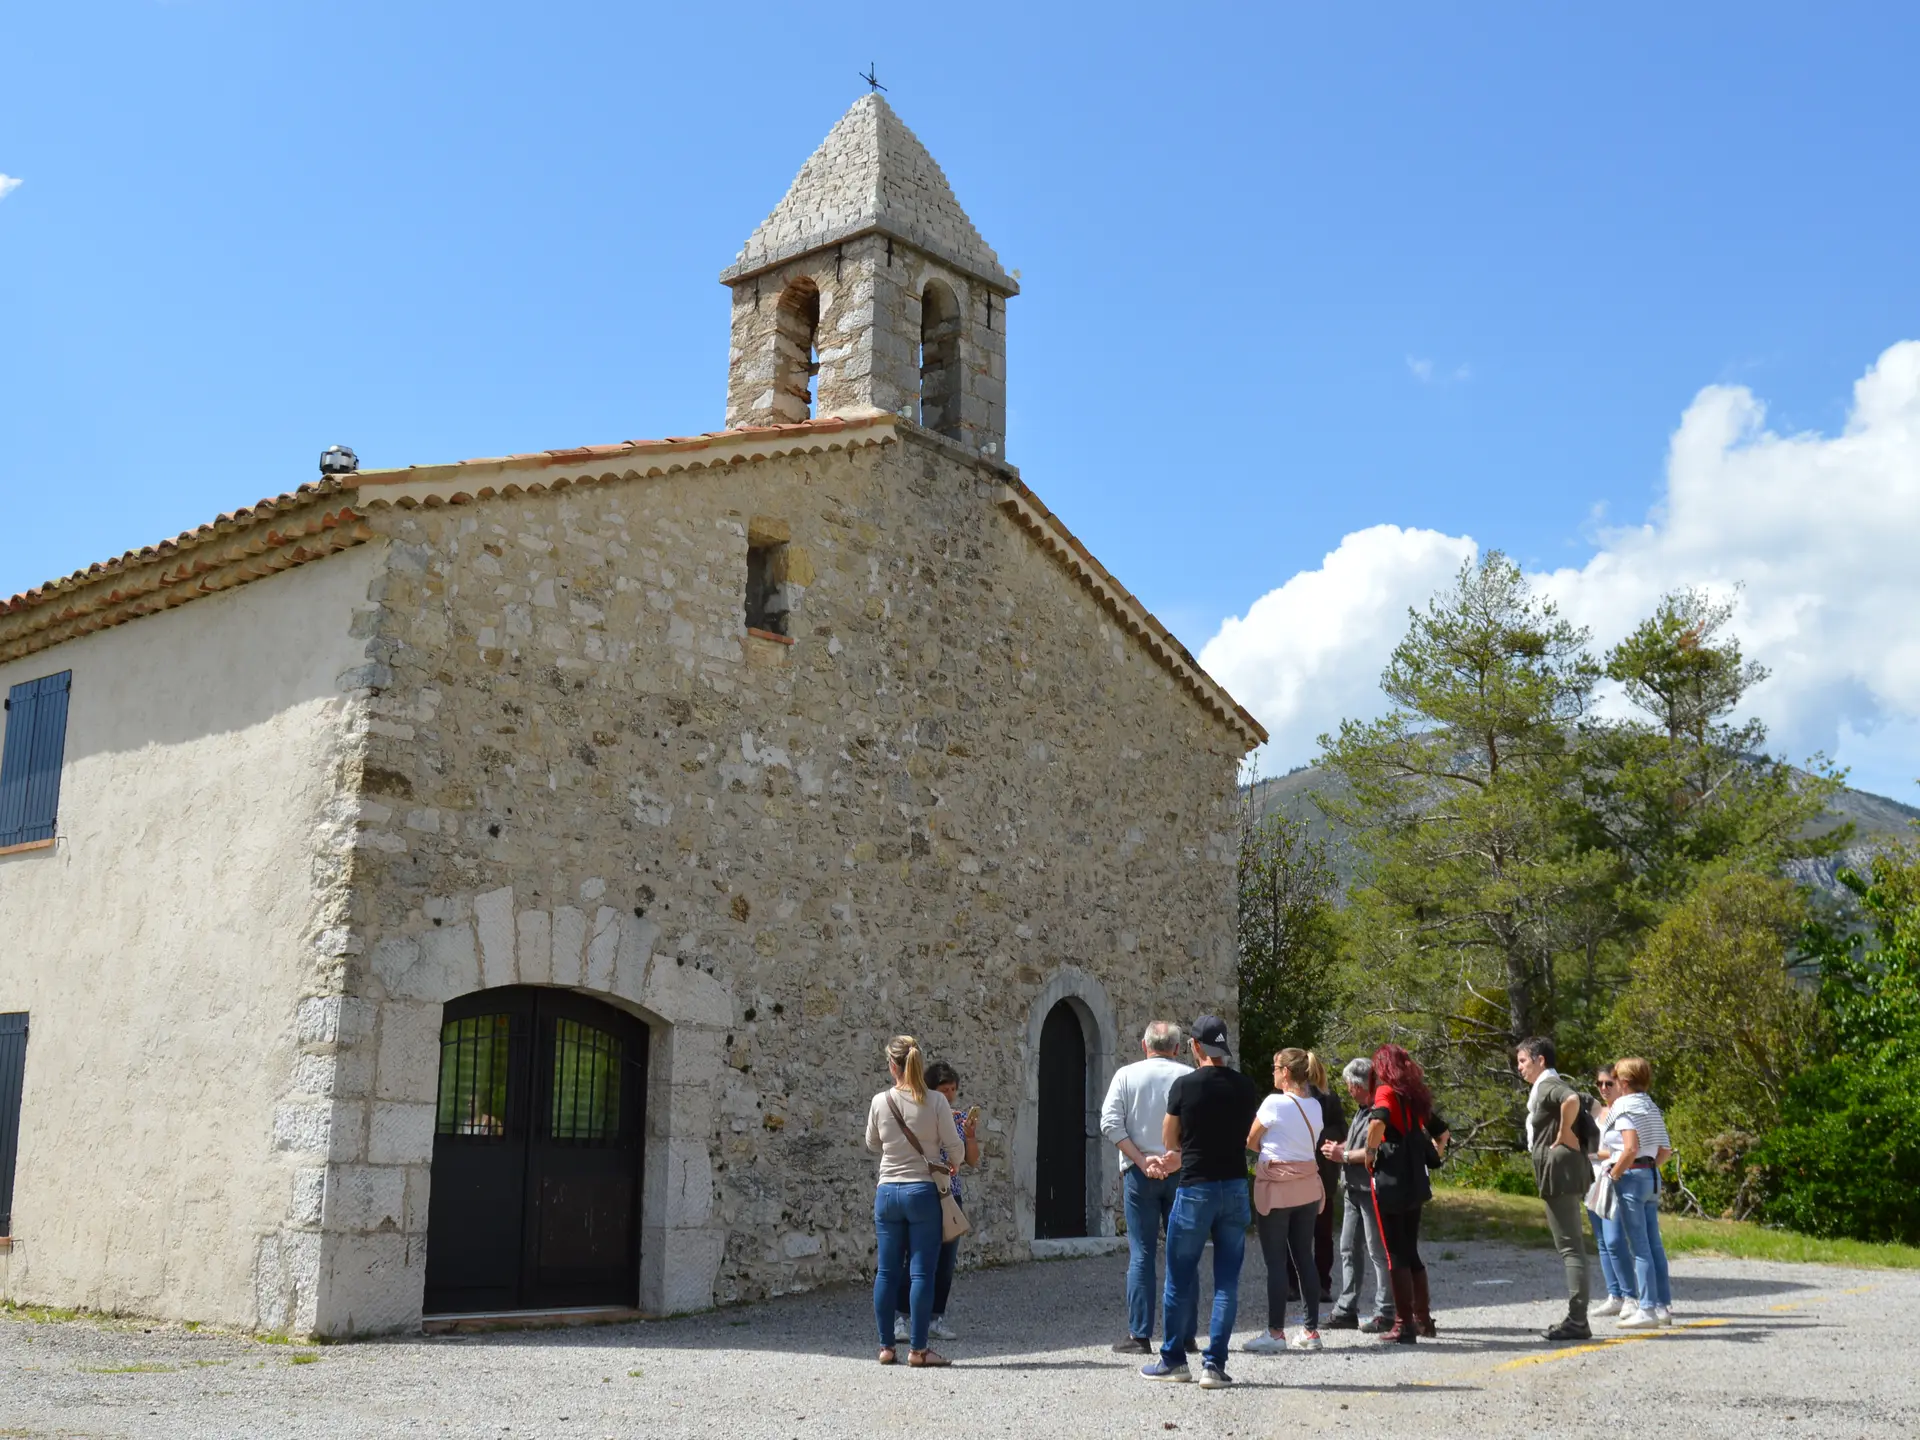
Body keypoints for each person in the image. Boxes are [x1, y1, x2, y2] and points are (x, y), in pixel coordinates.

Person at [1139, 1015, 1260, 1390]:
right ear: (1223, 1048)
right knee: (1227, 1280)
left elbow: (1169, 1138)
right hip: (1235, 1186)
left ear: (1194, 1047)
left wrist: (1181, 1150)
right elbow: (1248, 1137)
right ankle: (1215, 1365)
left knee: (1179, 1275)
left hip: (1195, 1187)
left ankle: (1174, 1360)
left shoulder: (1186, 1085)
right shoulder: (1246, 1087)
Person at [866, 1034, 964, 1366]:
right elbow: (957, 1149)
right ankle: (919, 1350)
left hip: (887, 1190)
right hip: (922, 1191)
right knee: (923, 1273)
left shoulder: (881, 1101)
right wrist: (950, 1165)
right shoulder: (936, 1102)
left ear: (892, 1066)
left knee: (887, 1271)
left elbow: (872, 1142)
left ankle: (885, 1347)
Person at [1099, 1021, 1191, 1355]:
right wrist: (1176, 1157)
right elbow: (1197, 1126)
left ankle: (1140, 1335)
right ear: (1177, 1048)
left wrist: (1140, 1160)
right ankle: (1184, 1334)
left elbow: (1109, 1122)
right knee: (1183, 1252)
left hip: (1140, 1174)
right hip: (1179, 1171)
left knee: (1142, 1253)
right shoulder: (1187, 1076)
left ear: (1144, 1044)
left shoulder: (1126, 1075)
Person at [1243, 1048, 1326, 1353]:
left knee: (1276, 1261)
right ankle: (1311, 1331)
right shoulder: (1315, 1106)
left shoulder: (1274, 1103)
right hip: (1307, 1188)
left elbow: (1251, 1140)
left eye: (1276, 1067)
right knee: (1305, 1257)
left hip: (1277, 1187)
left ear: (1287, 1073)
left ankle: (1276, 1332)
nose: (1273, 1072)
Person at [892, 1060, 980, 1343]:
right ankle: (902, 1318)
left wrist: (969, 1136)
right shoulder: (920, 1116)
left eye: (953, 1089)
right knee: (916, 1258)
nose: (950, 1095)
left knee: (945, 1261)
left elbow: (972, 1159)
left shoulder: (956, 1118)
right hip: (925, 1190)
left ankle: (935, 1318)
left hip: (950, 1194)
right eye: (944, 1089)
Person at [1362, 1043, 1444, 1343]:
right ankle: (1423, 1320)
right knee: (1411, 1249)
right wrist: (1437, 1153)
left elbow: (1378, 1120)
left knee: (1394, 1250)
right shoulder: (1415, 1095)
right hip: (1415, 1175)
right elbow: (1442, 1132)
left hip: (1392, 1175)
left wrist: (1370, 1152)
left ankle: (1403, 1324)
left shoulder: (1386, 1091)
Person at [1517, 1035, 1596, 1342]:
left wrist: (1564, 1133)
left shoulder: (1549, 1086)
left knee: (1570, 1247)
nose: (1520, 1067)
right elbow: (1592, 1104)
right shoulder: (1544, 1086)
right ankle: (1578, 1318)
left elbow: (1572, 1099)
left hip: (1559, 1172)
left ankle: (1577, 1320)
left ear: (1540, 1060)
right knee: (1571, 1245)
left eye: (1524, 1061)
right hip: (1563, 1170)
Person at [1320, 1056, 1395, 1332]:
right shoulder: (1363, 1109)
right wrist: (1340, 1148)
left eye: (1350, 1084)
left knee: (1377, 1250)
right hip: (1353, 1188)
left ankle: (1386, 1311)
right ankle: (1346, 1309)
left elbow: (1375, 1152)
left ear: (1359, 1084)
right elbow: (1357, 1145)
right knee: (1348, 1247)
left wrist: (1343, 1154)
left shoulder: (1380, 1111)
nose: (1348, 1090)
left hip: (1371, 1189)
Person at [1601, 1056, 1674, 1329]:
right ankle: (1662, 1305)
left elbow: (1629, 1147)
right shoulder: (1651, 1106)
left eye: (1616, 1077)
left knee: (1640, 1246)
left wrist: (1617, 1172)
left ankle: (1645, 1308)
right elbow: (1664, 1149)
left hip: (1631, 1176)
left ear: (1625, 1082)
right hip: (1651, 1175)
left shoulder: (1623, 1106)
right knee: (1655, 1244)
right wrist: (1649, 1167)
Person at [1286, 1053, 1344, 1306]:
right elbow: (1341, 1131)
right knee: (1320, 1232)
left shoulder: (1303, 1100)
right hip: (1322, 1173)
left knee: (1296, 1230)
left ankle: (1297, 1284)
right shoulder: (1327, 1098)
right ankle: (1319, 1283)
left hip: (1306, 1172)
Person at [1587, 1064, 1632, 1318]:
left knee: (1615, 1240)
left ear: (1620, 1083)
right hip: (1593, 1180)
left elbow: (1623, 1149)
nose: (1604, 1088)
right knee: (1602, 1242)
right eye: (1599, 1084)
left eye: (1608, 1083)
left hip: (1613, 1177)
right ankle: (1614, 1294)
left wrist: (1591, 1153)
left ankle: (1629, 1295)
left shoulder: (1625, 1111)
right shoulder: (1598, 1112)